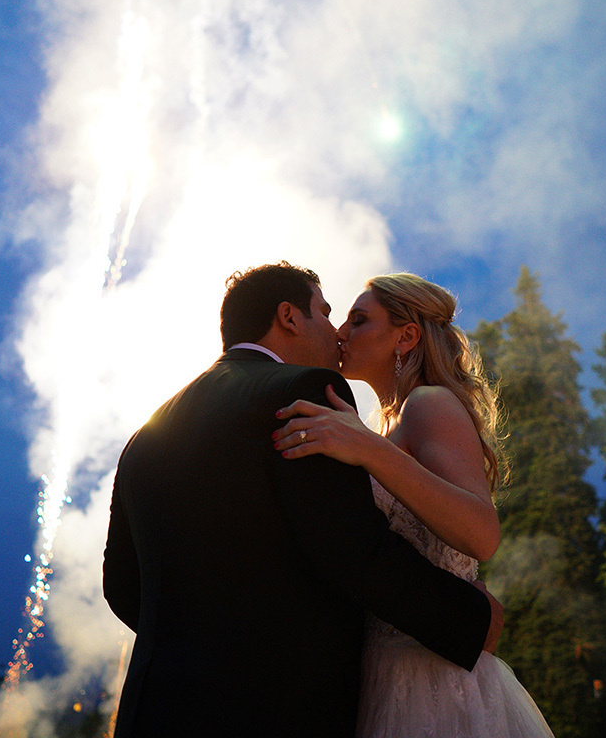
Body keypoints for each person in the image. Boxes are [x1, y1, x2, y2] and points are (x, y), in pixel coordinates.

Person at [102, 262, 502, 738]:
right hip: (283, 707)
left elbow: (122, 584)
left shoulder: (146, 436)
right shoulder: (303, 394)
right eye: (328, 313)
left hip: (157, 712)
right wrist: (467, 619)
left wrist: (203, 644)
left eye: (356, 320)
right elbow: (348, 548)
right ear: (290, 317)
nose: (337, 331)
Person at [274, 272, 554, 737]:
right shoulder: (382, 426)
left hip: (434, 678)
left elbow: (482, 535)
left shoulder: (430, 404)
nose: (342, 333)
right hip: (380, 669)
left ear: (406, 336)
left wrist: (368, 450)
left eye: (359, 321)